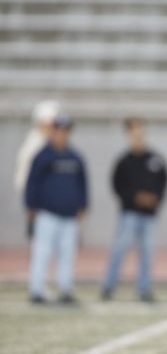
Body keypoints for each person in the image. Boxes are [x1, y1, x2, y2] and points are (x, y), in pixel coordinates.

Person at [101, 118, 167, 303]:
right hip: (129, 214)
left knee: (147, 253)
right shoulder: (124, 162)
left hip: (149, 216)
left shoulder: (155, 159)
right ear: (129, 134)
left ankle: (144, 289)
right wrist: (134, 198)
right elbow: (117, 186)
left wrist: (155, 199)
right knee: (119, 250)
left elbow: (163, 181)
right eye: (134, 131)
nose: (138, 135)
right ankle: (108, 287)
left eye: (141, 131)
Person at [25, 114, 88, 304]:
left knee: (67, 254)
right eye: (59, 131)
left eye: (66, 131)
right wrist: (31, 207)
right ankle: (37, 290)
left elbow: (82, 184)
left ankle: (66, 289)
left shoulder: (75, 157)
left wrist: (83, 205)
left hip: (69, 215)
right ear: (53, 132)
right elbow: (32, 183)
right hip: (47, 214)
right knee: (42, 252)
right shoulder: (42, 156)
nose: (62, 135)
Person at [14, 100, 62, 239]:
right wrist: (31, 205)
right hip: (41, 206)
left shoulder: (55, 145)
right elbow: (23, 179)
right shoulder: (33, 146)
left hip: (57, 205)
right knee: (42, 248)